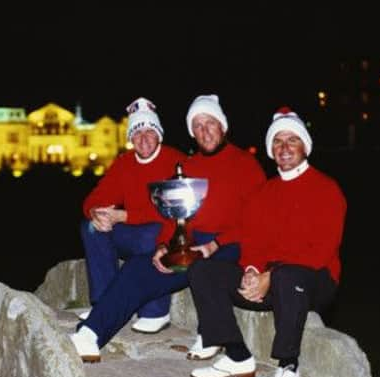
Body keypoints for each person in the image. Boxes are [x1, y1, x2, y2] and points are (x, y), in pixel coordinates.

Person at [70, 94, 266, 362]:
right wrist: (164, 245)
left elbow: (256, 222)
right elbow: (175, 217)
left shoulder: (246, 165)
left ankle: (211, 334)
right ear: (191, 132)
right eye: (197, 125)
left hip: (230, 244)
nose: (204, 131)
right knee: (139, 267)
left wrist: (214, 244)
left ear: (223, 126)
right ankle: (90, 335)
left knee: (203, 268)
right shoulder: (188, 166)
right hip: (193, 242)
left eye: (210, 123)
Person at [187, 107, 347, 377]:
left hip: (313, 279)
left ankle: (289, 365)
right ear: (271, 149)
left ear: (305, 146)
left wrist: (269, 278)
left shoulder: (326, 188)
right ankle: (236, 355)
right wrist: (250, 270)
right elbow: (253, 241)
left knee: (287, 275)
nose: (284, 148)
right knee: (202, 270)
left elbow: (322, 250)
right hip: (270, 277)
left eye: (292, 140)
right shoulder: (265, 192)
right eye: (277, 141)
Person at [79, 97, 186, 333]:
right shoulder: (124, 163)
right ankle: (105, 304)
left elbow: (169, 211)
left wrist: (122, 217)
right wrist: (97, 213)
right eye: (137, 133)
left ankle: (156, 311)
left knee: (150, 236)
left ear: (159, 134)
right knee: (90, 227)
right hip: (133, 227)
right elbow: (96, 196)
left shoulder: (176, 160)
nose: (144, 139)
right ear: (130, 139)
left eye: (150, 132)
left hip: (166, 230)